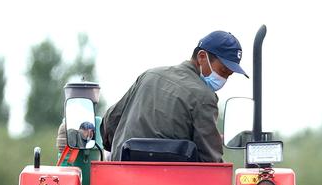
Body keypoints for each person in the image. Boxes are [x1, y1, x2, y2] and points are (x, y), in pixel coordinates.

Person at [100, 31, 248, 163]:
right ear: (202, 57)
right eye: (223, 71)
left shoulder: (150, 75)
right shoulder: (204, 97)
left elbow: (110, 122)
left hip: (121, 178)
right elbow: (210, 160)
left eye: (228, 75)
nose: (224, 79)